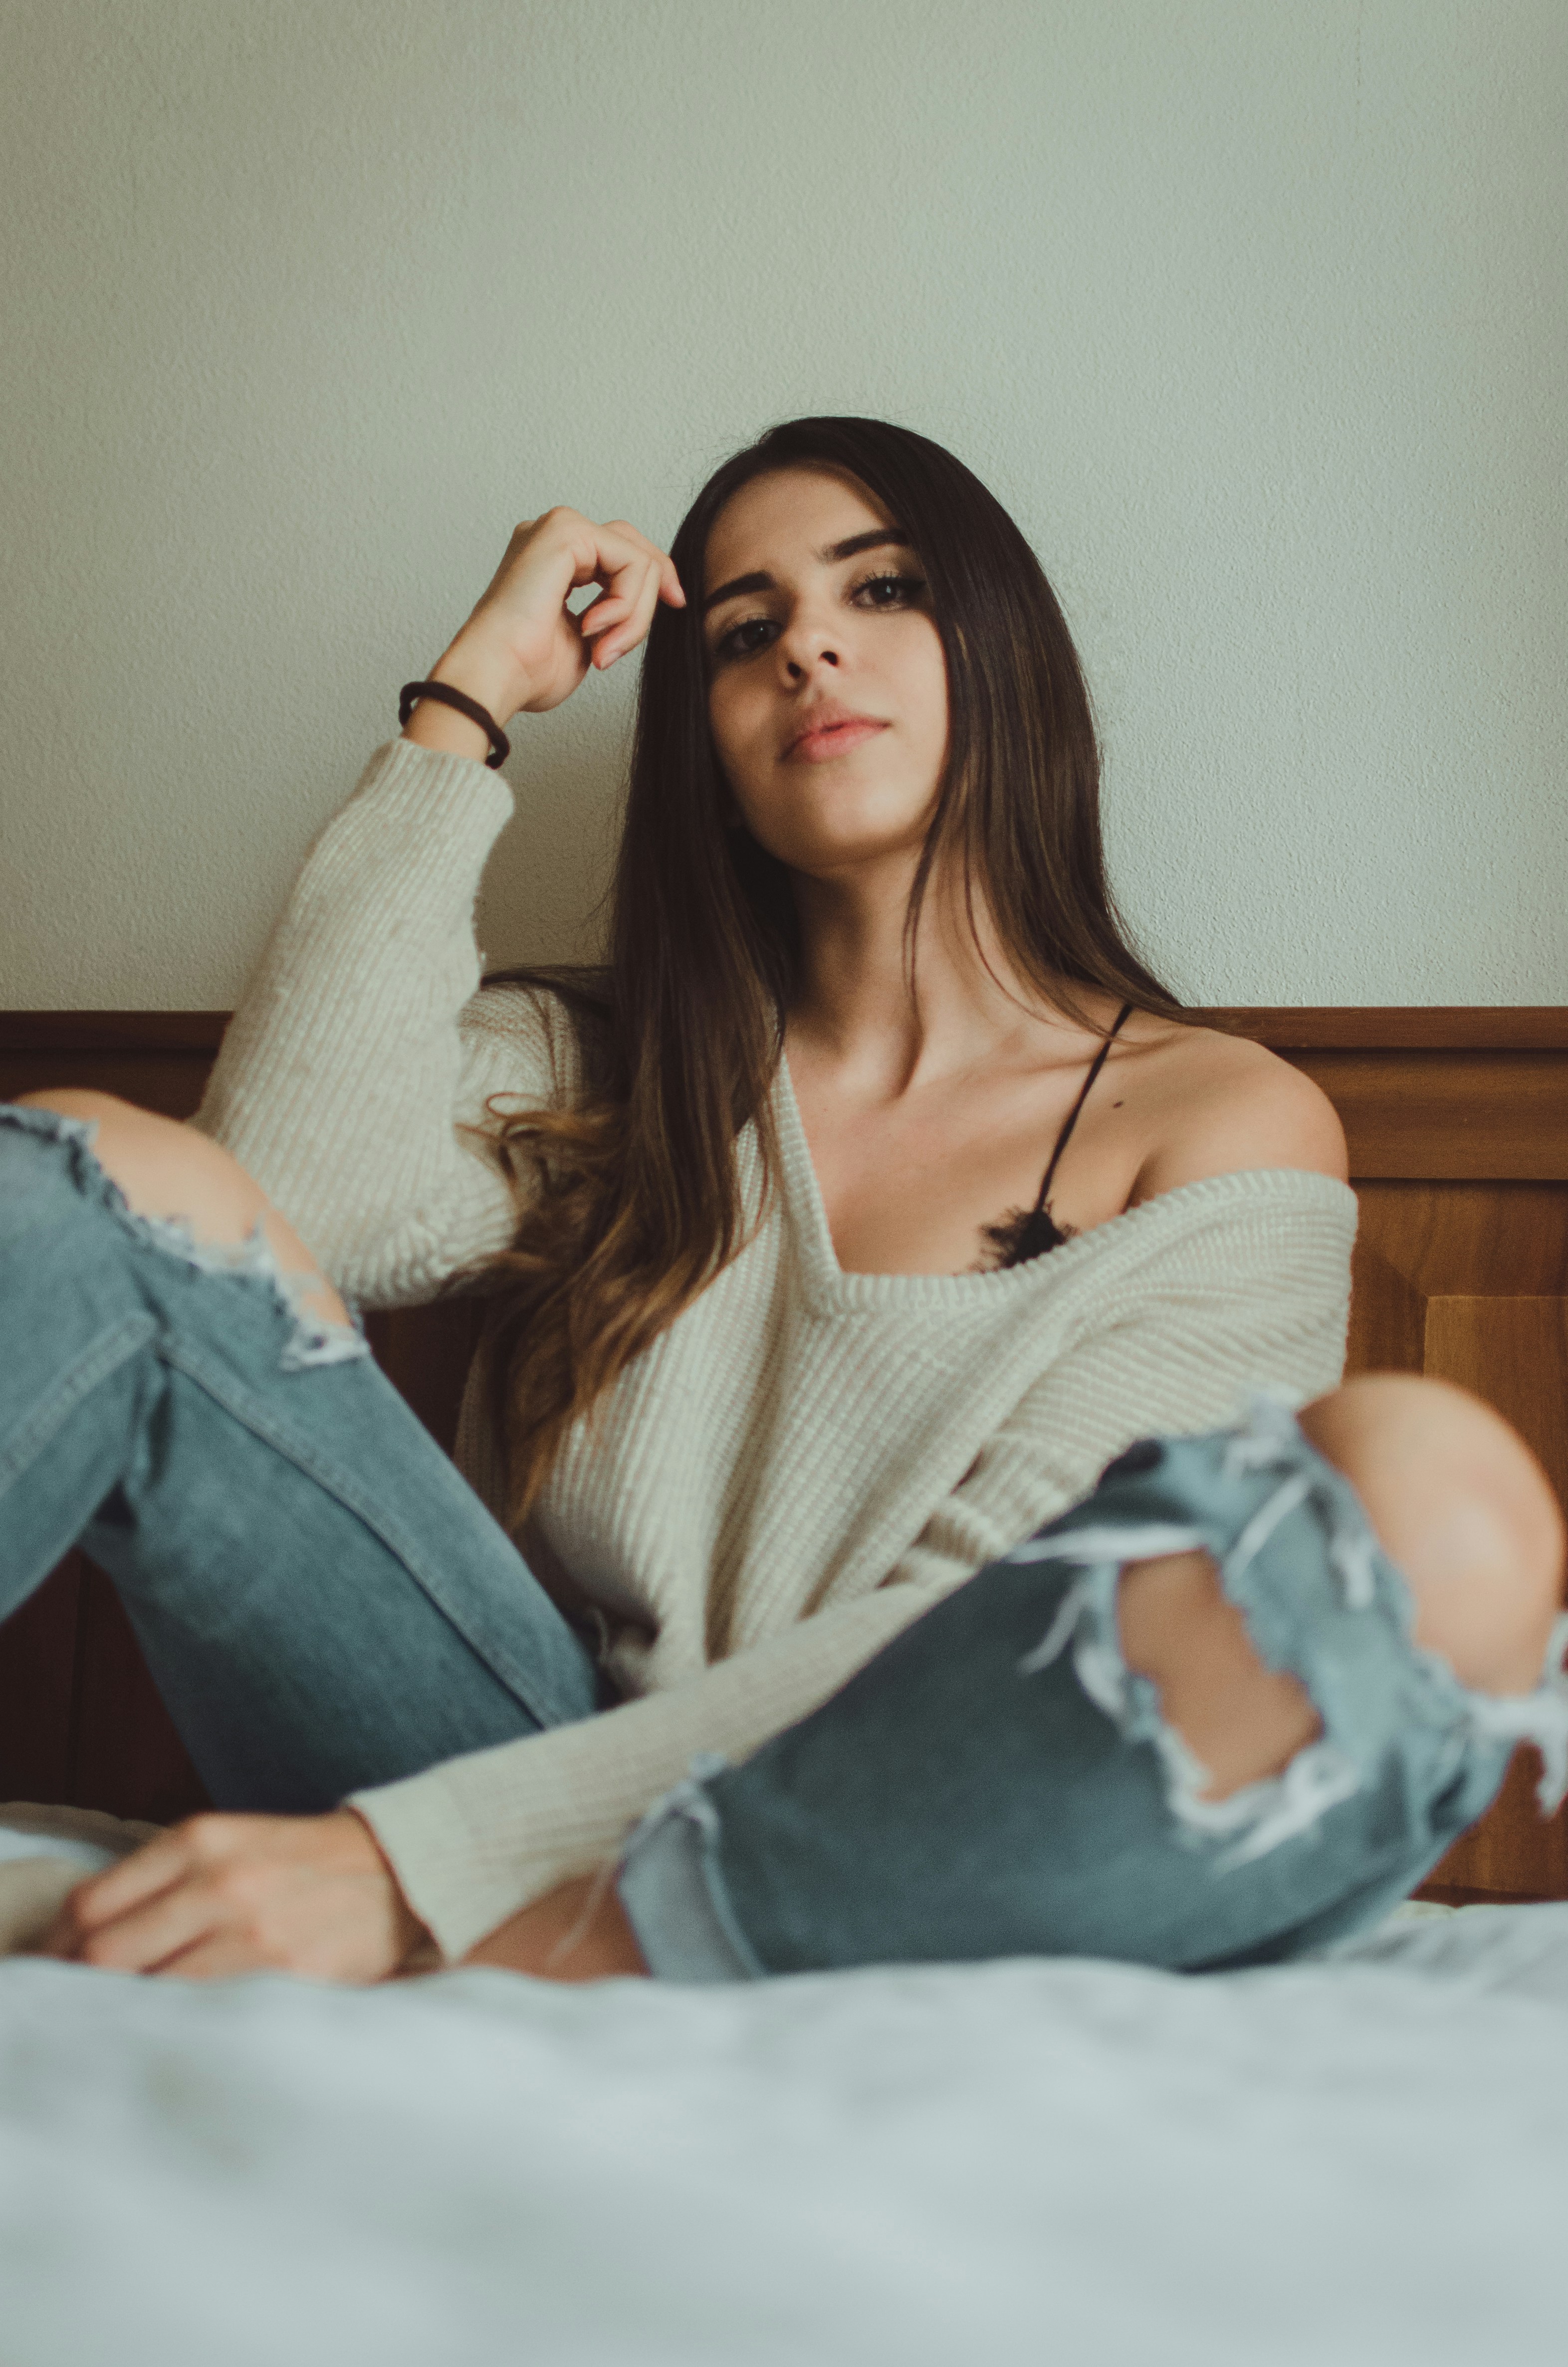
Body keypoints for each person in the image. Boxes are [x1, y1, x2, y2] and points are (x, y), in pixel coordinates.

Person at [5, 418, 1565, 1987]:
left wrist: (418, 1874)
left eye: (880, 590)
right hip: (522, 1758)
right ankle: (520, 1917)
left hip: (915, 1824)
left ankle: (579, 1940)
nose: (807, 643)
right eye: (743, 634)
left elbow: (1006, 1617)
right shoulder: (616, 1068)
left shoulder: (1217, 1122)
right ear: (710, 750)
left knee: (1435, 1495)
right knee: (97, 1158)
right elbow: (271, 1201)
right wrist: (466, 703)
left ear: (1003, 653)